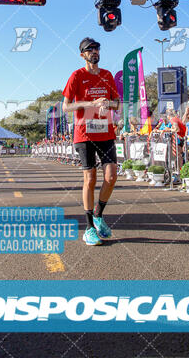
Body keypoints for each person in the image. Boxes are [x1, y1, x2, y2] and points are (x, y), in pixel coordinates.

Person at [62, 37, 120, 246]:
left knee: (111, 176)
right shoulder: (77, 76)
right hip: (84, 133)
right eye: (90, 49)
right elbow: (66, 107)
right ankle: (88, 228)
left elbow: (117, 104)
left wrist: (107, 104)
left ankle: (98, 214)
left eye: (97, 49)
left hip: (105, 132)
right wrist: (91, 103)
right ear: (83, 55)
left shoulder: (107, 75)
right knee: (90, 179)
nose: (95, 52)